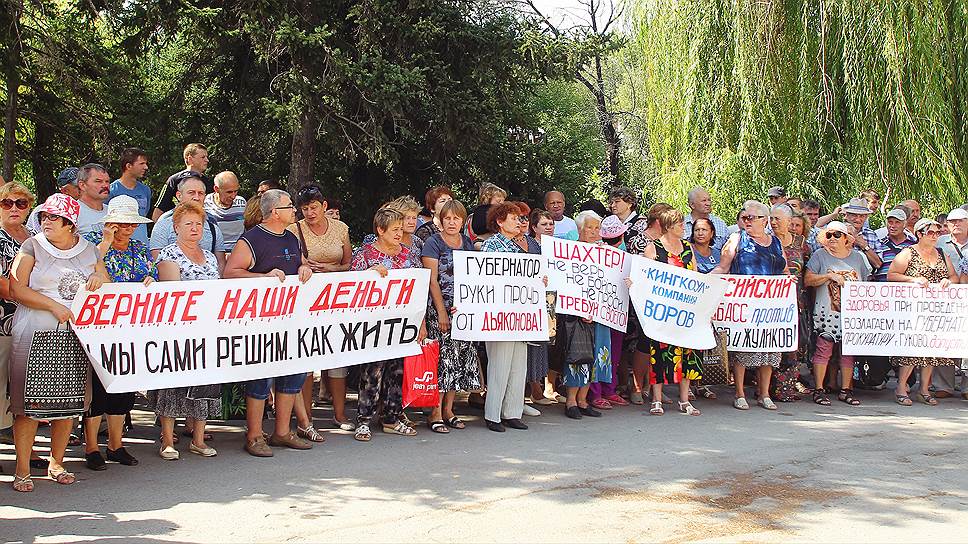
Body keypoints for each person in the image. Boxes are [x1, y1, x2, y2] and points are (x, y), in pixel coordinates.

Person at [8, 193, 109, 492]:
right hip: (34, 333)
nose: (46, 221)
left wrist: (99, 279)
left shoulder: (88, 249)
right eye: (44, 216)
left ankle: (57, 462)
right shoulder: (32, 246)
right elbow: (16, 288)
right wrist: (52, 306)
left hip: (75, 335)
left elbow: (104, 278)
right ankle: (22, 470)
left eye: (53, 217)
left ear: (70, 223)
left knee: (68, 404)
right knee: (29, 406)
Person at [223, 189, 315, 457]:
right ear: (275, 212)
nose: (294, 210)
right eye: (289, 206)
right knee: (261, 377)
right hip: (260, 321)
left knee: (293, 373)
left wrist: (304, 268)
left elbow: (299, 264)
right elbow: (230, 273)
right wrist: (262, 277)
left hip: (291, 318)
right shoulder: (251, 240)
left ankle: (282, 432)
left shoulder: (291, 237)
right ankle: (254, 436)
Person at [82, 195, 156, 469]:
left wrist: (150, 279)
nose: (128, 228)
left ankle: (116, 444)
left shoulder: (139, 248)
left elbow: (152, 275)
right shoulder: (91, 243)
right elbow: (86, 270)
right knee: (98, 388)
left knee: (123, 388)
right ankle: (91, 446)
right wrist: (106, 240)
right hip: (99, 327)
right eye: (122, 223)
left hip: (130, 328)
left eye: (132, 224)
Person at [149, 201, 222, 460]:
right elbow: (173, 294)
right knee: (173, 385)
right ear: (176, 227)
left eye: (198, 224)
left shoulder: (210, 256)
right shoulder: (168, 255)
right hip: (178, 331)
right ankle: (168, 441)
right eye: (188, 223)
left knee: (204, 384)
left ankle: (198, 440)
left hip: (208, 330)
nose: (194, 228)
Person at [350, 208, 426, 441]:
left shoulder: (410, 255)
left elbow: (418, 292)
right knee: (372, 371)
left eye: (401, 229)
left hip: (403, 324)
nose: (399, 233)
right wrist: (369, 274)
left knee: (397, 371)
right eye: (394, 229)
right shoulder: (364, 255)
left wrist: (421, 323)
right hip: (374, 325)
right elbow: (351, 286)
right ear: (380, 230)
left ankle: (391, 418)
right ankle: (364, 420)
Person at [288, 184, 353, 431]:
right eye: (305, 208)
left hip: (336, 300)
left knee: (337, 354)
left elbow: (349, 263)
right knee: (306, 356)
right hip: (305, 300)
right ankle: (306, 417)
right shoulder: (293, 230)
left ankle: (340, 414)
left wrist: (333, 269)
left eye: (314, 207)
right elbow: (291, 261)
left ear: (324, 206)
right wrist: (303, 266)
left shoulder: (341, 228)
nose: (310, 213)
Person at [713, 200, 787, 410]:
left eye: (751, 218)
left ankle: (764, 394)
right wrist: (706, 279)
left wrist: (788, 283)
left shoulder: (775, 242)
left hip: (771, 306)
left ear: (764, 220)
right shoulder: (737, 239)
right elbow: (723, 267)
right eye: (744, 218)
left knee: (769, 349)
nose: (746, 221)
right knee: (743, 349)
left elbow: (784, 269)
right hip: (745, 304)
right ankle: (739, 393)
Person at [630, 208, 703, 416]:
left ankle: (684, 399)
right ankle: (656, 398)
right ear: (669, 226)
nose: (683, 227)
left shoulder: (687, 247)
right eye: (679, 224)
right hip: (662, 311)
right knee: (660, 353)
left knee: (687, 353)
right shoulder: (654, 248)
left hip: (684, 311)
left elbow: (695, 275)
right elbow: (645, 276)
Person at [422, 200, 481, 433]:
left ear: (463, 221)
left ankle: (449, 410)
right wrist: (442, 312)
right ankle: (434, 412)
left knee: (456, 360)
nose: (451, 222)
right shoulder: (433, 242)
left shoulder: (467, 243)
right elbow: (432, 280)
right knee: (441, 360)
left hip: (462, 312)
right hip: (439, 310)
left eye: (456, 218)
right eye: (447, 218)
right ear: (440, 220)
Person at [888, 218, 957, 407]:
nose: (935, 236)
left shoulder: (942, 254)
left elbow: (954, 276)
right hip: (913, 310)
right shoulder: (908, 253)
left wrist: (948, 281)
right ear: (919, 234)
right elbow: (892, 275)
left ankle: (924, 389)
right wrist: (912, 279)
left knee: (931, 350)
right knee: (911, 350)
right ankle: (901, 388)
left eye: (937, 233)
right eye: (930, 232)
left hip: (936, 311)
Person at [804, 221, 871, 406]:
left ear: (846, 238)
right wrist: (827, 276)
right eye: (829, 235)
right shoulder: (820, 255)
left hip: (851, 314)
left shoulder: (858, 258)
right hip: (827, 313)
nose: (832, 238)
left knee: (848, 353)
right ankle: (819, 389)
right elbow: (808, 279)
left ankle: (846, 389)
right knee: (823, 350)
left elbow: (866, 283)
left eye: (837, 235)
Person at [480, 202, 533, 432]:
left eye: (519, 218)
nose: (518, 222)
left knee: (518, 365)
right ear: (500, 222)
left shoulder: (516, 247)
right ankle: (493, 414)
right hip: (499, 312)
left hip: (520, 312)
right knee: (499, 364)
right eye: (513, 218)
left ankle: (512, 412)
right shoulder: (491, 245)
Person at [626, 202, 673, 404]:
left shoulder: (668, 242)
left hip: (663, 299)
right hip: (643, 299)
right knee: (644, 344)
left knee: (661, 344)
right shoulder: (639, 241)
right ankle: (637, 386)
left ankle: (654, 387)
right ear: (658, 221)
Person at [0, 182, 35, 446]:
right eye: (7, 203)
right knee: (1, 385)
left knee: (23, 388)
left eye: (20, 203)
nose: (14, 208)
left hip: (32, 321)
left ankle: (26, 450)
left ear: (28, 207)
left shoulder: (34, 237)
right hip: (4, 322)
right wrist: (33, 296)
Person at [586, 214, 631, 410]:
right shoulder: (594, 253)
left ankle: (608, 389)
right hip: (601, 310)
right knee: (600, 349)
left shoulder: (626, 256)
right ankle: (596, 392)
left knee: (613, 350)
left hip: (617, 309)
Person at [149, 173, 226, 271]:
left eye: (200, 193)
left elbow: (221, 264)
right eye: (191, 193)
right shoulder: (163, 225)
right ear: (179, 195)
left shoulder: (213, 227)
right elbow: (157, 264)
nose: (196, 197)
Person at [932, 207, 968, 399]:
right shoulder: (939, 242)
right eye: (952, 221)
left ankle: (967, 387)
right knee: (944, 340)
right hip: (944, 299)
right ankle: (943, 385)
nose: (956, 224)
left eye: (960, 220)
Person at [771, 204, 811, 367]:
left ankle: (791, 379)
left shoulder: (801, 243)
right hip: (770, 300)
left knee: (793, 341)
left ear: (788, 221)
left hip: (796, 299)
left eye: (777, 219)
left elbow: (808, 269)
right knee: (771, 341)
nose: (773, 222)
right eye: (771, 218)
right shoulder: (766, 241)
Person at [527, 208, 558, 405]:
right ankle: (534, 389)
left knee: (548, 344)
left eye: (551, 224)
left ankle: (548, 387)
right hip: (534, 300)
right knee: (534, 344)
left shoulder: (558, 246)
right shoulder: (530, 245)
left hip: (553, 301)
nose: (548, 227)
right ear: (534, 227)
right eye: (544, 224)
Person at [153, 143, 212, 220]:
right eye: (203, 157)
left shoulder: (207, 181)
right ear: (190, 159)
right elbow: (159, 210)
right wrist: (160, 226)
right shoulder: (174, 180)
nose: (207, 160)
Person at [109, 147, 153, 244]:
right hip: (119, 245)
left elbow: (144, 214)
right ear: (129, 166)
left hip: (142, 245)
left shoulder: (145, 190)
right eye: (141, 164)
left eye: (145, 163)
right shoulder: (112, 190)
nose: (146, 167)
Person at [27, 167, 80, 233]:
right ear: (64, 190)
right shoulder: (41, 211)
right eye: (78, 187)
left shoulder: (90, 208)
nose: (83, 188)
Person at [204, 171, 247, 249]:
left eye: (236, 191)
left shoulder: (242, 202)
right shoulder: (205, 204)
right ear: (216, 189)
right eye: (229, 192)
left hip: (239, 252)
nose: (233, 196)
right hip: (215, 252)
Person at [838, 197, 883, 271]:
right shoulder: (837, 231)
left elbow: (878, 264)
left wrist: (864, 246)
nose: (858, 219)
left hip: (865, 277)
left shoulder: (871, 234)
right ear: (847, 216)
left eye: (862, 216)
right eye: (854, 215)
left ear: (866, 217)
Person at [872, 208, 915, 282]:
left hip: (906, 286)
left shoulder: (913, 245)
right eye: (890, 222)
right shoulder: (879, 244)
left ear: (904, 224)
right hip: (881, 287)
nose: (893, 226)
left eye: (897, 222)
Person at [76, 163, 111, 237]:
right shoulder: (73, 213)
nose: (105, 185)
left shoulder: (112, 211)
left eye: (107, 181)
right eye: (98, 181)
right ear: (82, 185)